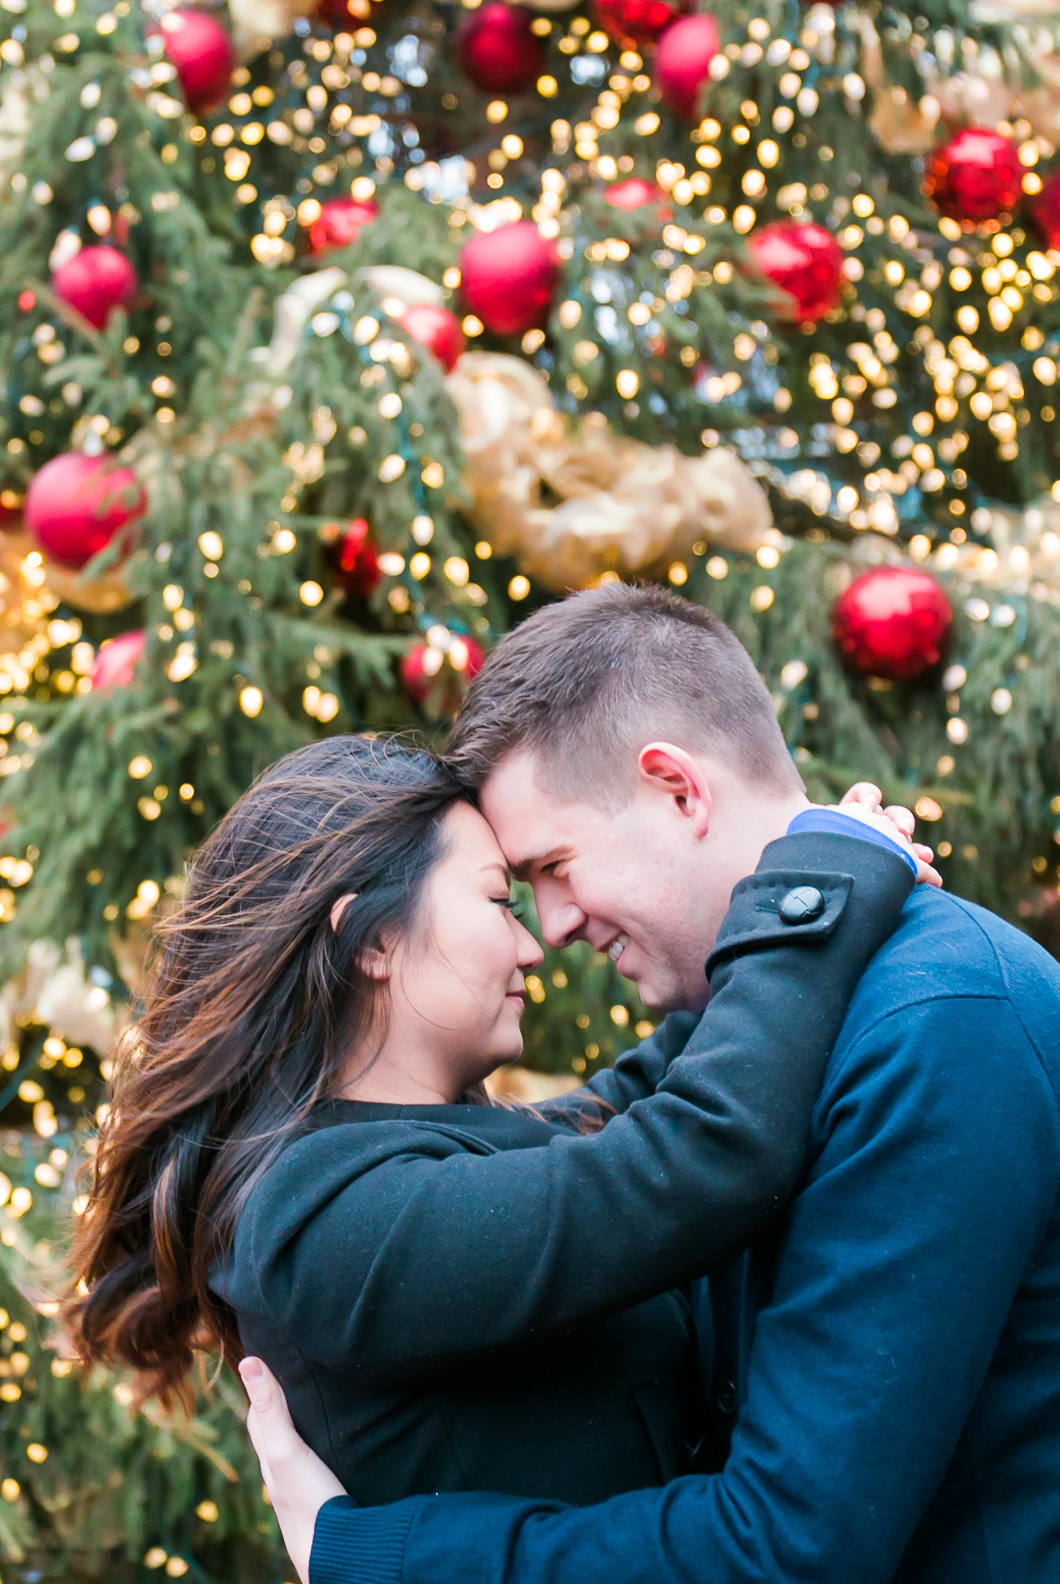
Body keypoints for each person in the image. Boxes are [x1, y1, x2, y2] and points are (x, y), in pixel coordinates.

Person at [241, 583, 1060, 1584]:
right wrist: (817, 892)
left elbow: (788, 1548)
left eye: (550, 866)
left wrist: (373, 1556)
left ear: (676, 787)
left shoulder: (936, 1019)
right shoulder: (772, 1028)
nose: (552, 930)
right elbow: (648, 1141)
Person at [66, 592, 929, 1520]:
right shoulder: (319, 1221)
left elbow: (653, 1091)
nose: (535, 944)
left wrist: (805, 878)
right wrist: (818, 890)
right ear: (372, 941)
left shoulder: (433, 1152)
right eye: (496, 902)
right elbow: (692, 1159)